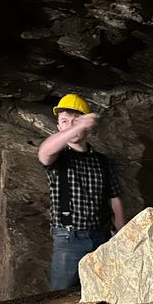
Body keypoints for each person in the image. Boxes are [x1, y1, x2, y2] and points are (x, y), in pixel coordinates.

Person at [38, 93, 126, 290]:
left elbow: (114, 197)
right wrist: (77, 126)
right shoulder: (57, 156)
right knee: (60, 300)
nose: (70, 126)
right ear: (59, 127)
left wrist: (121, 234)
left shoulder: (101, 161)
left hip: (102, 238)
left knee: (104, 294)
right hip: (69, 240)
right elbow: (44, 151)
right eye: (64, 121)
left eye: (76, 120)